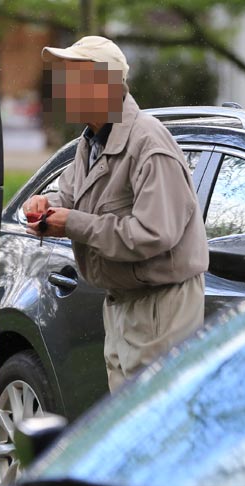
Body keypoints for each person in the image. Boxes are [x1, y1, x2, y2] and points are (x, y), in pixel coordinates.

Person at [23, 35, 209, 393]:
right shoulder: (90, 140)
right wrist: (43, 205)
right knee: (129, 433)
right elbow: (69, 197)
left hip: (161, 306)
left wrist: (72, 223)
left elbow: (154, 234)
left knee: (157, 428)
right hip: (123, 304)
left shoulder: (149, 143)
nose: (61, 91)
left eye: (71, 79)